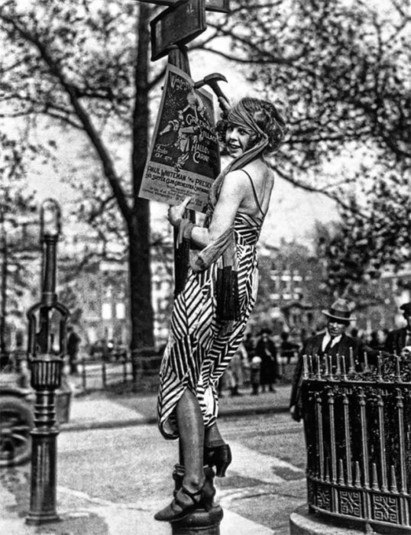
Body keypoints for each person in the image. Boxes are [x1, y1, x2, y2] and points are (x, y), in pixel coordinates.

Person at [155, 97, 286, 522]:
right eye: (229, 127)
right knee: (207, 370)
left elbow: (213, 239)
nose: (231, 136)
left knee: (181, 373)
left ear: (260, 135)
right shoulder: (263, 173)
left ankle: (193, 483)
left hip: (216, 276)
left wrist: (180, 222)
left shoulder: (235, 179)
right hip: (244, 275)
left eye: (242, 130)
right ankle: (213, 442)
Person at [289, 298, 371, 422]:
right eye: (332, 321)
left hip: (339, 404)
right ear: (327, 320)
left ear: (346, 325)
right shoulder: (311, 342)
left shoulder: (354, 344)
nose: (334, 326)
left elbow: (373, 354)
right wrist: (294, 403)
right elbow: (298, 374)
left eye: (340, 323)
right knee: (313, 432)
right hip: (311, 402)